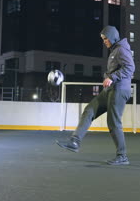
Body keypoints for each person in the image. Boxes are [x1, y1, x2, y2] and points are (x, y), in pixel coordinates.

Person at [56, 25, 135, 165]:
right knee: (90, 110)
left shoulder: (121, 49)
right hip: (110, 90)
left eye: (105, 39)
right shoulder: (114, 50)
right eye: (103, 39)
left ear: (112, 37)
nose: (104, 41)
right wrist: (109, 77)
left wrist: (112, 77)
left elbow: (130, 67)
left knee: (113, 122)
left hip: (120, 90)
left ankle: (122, 156)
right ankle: (75, 141)